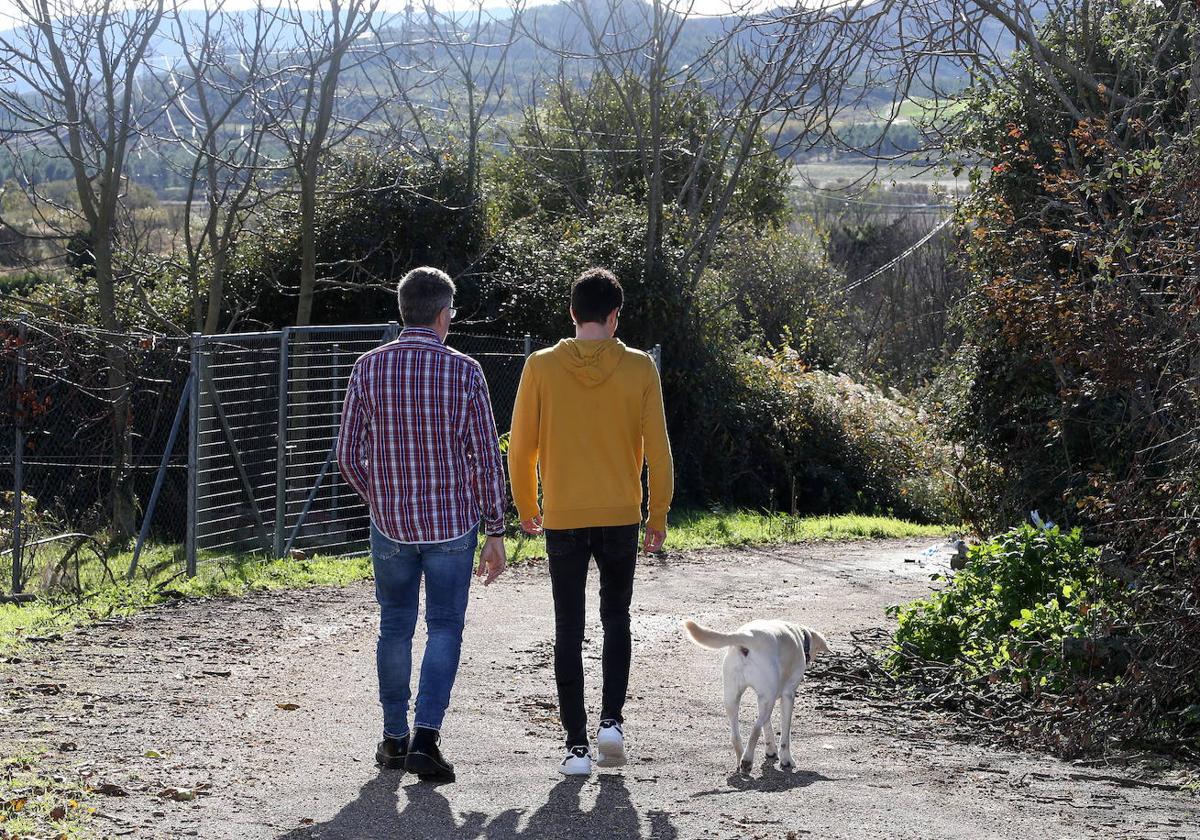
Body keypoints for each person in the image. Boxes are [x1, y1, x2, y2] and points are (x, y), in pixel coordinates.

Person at [337, 266, 507, 784]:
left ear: (402, 309)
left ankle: (393, 739)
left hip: (390, 526)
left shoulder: (368, 368)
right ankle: (426, 739)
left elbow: (348, 455)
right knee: (445, 627)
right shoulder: (465, 371)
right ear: (441, 314)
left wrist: (381, 499)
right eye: (450, 312)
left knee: (394, 624)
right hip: (452, 527)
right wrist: (495, 528)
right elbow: (483, 458)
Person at [508, 267, 674, 776]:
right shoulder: (640, 368)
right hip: (621, 515)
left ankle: (576, 748)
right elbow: (658, 450)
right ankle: (611, 724)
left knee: (568, 628)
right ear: (615, 315)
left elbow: (521, 448)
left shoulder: (541, 366)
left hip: (562, 516)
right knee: (616, 618)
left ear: (572, 313)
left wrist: (526, 505)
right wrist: (658, 512)